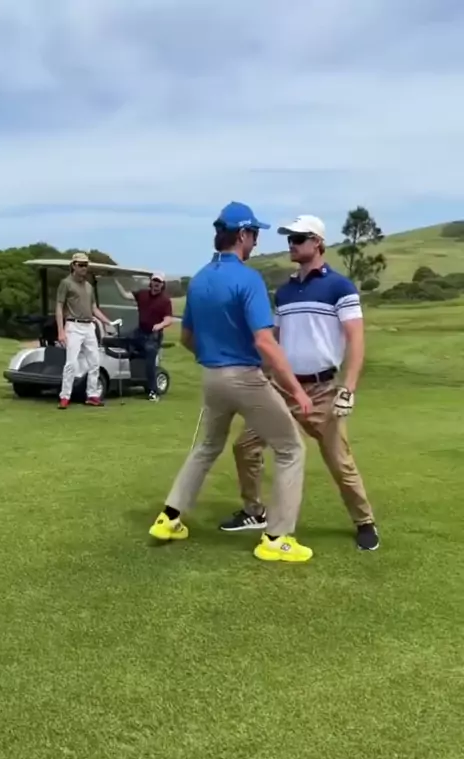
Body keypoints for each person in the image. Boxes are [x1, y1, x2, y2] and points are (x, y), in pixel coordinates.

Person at [149, 201, 315, 564]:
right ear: (242, 235)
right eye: (254, 234)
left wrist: (214, 359)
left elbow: (187, 338)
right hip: (245, 378)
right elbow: (265, 342)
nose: (255, 241)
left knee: (207, 447)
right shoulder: (248, 279)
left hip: (212, 377)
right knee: (291, 449)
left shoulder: (200, 279)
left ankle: (169, 518)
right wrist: (297, 390)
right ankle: (277, 538)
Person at [219, 214, 379, 552]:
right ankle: (254, 512)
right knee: (245, 446)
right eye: (289, 239)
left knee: (339, 460)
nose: (291, 244)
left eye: (298, 239)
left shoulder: (340, 287)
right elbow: (274, 340)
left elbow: (356, 340)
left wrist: (348, 389)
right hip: (282, 388)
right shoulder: (285, 292)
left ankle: (364, 521)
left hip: (323, 390)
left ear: (317, 243)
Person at [56, 252, 113, 409]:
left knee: (95, 362)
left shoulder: (89, 286)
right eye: (80, 265)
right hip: (73, 325)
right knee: (71, 363)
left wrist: (107, 322)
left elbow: (94, 308)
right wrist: (60, 331)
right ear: (73, 266)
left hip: (89, 326)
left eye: (86, 265)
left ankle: (92, 395)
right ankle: (65, 396)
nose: (83, 268)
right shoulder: (66, 283)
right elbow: (59, 307)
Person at [114, 272, 173, 401]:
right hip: (140, 332)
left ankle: (153, 391)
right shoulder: (142, 294)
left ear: (162, 285)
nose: (156, 284)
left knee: (149, 364)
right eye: (155, 281)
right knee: (123, 342)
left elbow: (168, 319)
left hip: (153, 336)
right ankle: (130, 371)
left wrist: (160, 325)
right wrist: (115, 281)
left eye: (159, 282)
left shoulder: (165, 300)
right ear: (151, 282)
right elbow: (125, 295)